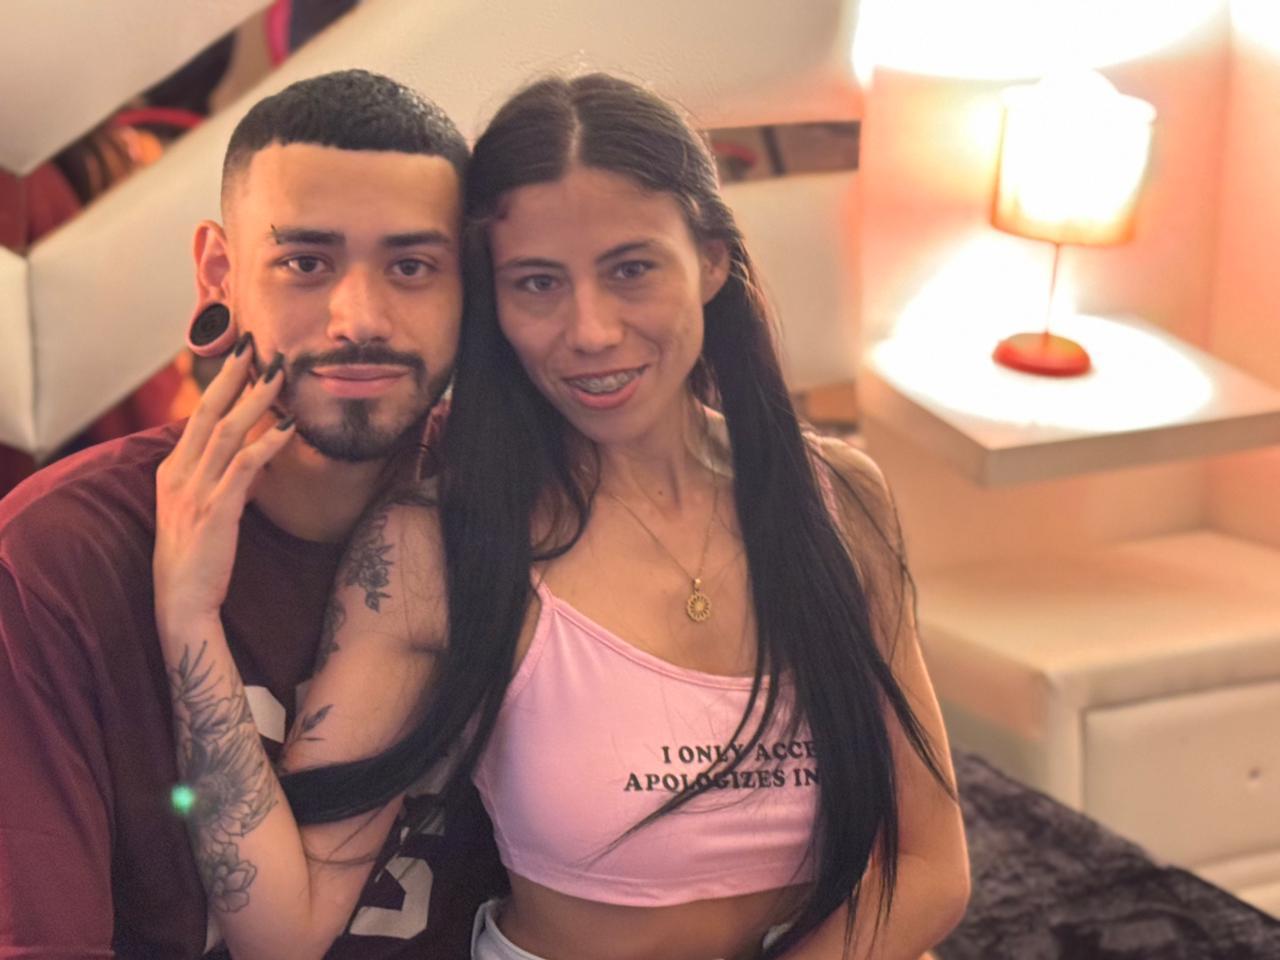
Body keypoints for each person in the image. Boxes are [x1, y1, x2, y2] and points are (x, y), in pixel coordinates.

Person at [155, 73, 970, 960]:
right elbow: (283, 929)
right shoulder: (436, 550)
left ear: (710, 261)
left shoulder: (839, 498)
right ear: (493, 303)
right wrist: (190, 618)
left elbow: (932, 862)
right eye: (538, 283)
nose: (590, 331)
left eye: (631, 269)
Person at [0, 70, 505, 959]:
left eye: (412, 266)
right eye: (305, 263)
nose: (359, 318)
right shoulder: (57, 557)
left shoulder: (525, 510)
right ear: (220, 272)